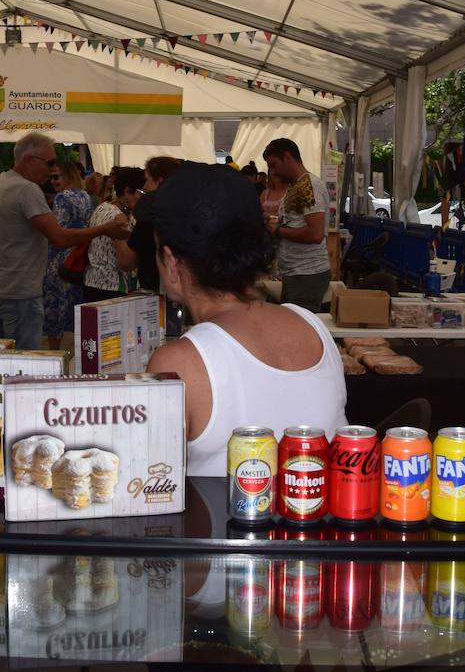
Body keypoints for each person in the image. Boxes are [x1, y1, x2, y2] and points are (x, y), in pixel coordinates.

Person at [144, 163, 347, 475]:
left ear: (172, 263)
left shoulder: (177, 364)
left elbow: (150, 481)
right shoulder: (312, 326)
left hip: (222, 524)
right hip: (314, 520)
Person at [0, 132, 129, 350]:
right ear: (30, 160)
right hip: (20, 293)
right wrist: (104, 229)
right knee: (22, 365)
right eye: (49, 163)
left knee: (5, 361)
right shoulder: (26, 189)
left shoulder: (1, 181)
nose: (52, 171)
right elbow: (59, 237)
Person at [262, 138, 331, 313]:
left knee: (300, 327)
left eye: (274, 165)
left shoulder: (309, 186)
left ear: (287, 157)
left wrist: (278, 230)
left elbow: (315, 234)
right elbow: (298, 223)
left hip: (306, 275)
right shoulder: (297, 187)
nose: (272, 171)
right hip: (297, 274)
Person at [42, 160, 95, 348]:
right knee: (75, 311)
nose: (53, 181)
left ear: (68, 175)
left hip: (59, 262)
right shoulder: (86, 196)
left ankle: (54, 354)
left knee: (54, 312)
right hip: (78, 260)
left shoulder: (62, 197)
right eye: (51, 178)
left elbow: (59, 232)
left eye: (56, 177)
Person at [84, 167, 145, 303]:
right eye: (141, 192)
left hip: (92, 281)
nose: (143, 198)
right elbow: (124, 262)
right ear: (127, 191)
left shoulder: (102, 207)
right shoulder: (119, 217)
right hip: (112, 286)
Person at [126, 155, 181, 293]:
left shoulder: (147, 217)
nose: (144, 186)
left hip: (154, 294)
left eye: (148, 180)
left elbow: (126, 262)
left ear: (160, 181)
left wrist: (117, 234)